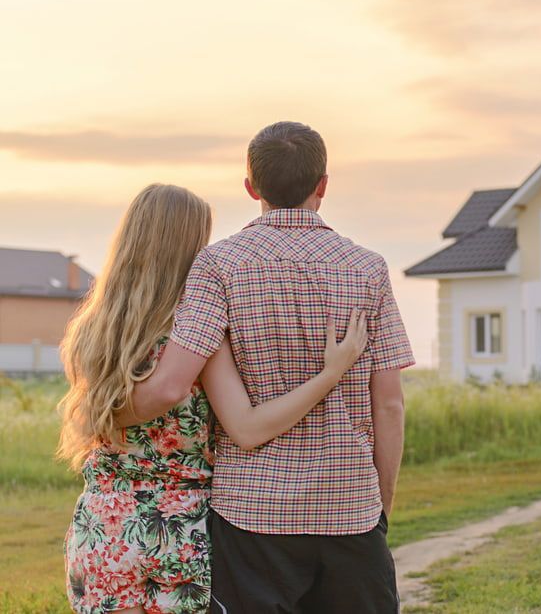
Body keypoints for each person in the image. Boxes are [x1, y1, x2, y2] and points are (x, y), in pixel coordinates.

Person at [125, 121, 415, 613]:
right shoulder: (368, 269)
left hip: (250, 515)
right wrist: (380, 506)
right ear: (323, 185)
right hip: (349, 510)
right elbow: (388, 403)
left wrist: (95, 413)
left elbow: (174, 380)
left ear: (251, 187)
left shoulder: (218, 265)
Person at [59, 184, 369, 614]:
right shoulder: (197, 332)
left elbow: (96, 416)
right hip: (178, 528)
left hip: (103, 522)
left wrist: (98, 416)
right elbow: (248, 426)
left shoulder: (93, 329)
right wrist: (329, 374)